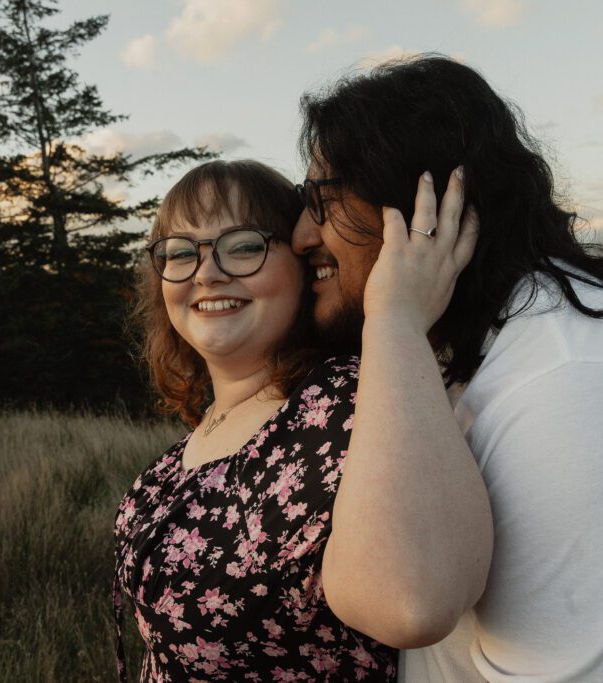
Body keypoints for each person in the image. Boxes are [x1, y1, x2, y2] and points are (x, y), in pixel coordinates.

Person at [291, 54, 603, 682]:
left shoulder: (583, 395)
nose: (300, 235)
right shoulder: (454, 352)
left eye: (321, 201)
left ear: (419, 202)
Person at [112, 159, 492, 681]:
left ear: (304, 265)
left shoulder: (347, 400)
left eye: (243, 246)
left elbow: (414, 605)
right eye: (179, 252)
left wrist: (398, 319)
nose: (206, 272)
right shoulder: (194, 442)